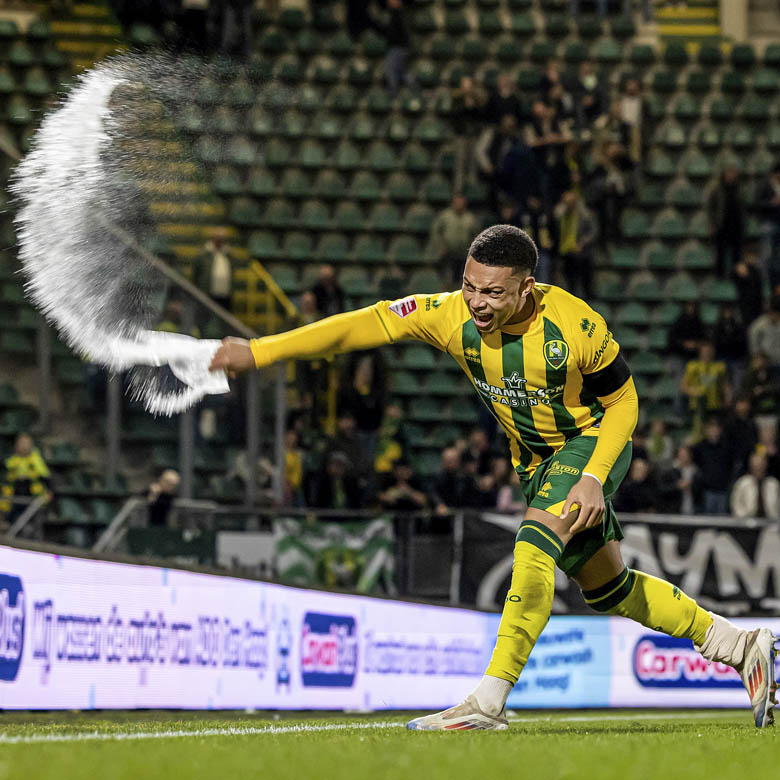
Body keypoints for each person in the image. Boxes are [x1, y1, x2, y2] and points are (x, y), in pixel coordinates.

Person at [211, 224, 777, 730]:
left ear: (526, 287)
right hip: (534, 463)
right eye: (470, 286)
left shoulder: (577, 325)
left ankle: (488, 700)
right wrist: (260, 351)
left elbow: (625, 404)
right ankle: (738, 642)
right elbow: (368, 324)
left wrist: (592, 477)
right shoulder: (449, 312)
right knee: (610, 591)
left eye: (493, 292)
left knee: (531, 548)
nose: (477, 303)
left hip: (588, 445)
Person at [554, 189, 597, 299]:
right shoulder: (560, 216)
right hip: (566, 253)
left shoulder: (585, 215)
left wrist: (582, 243)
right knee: (569, 284)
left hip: (582, 254)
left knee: (586, 282)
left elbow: (593, 231)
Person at [429, 195, 479, 288]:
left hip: (464, 253)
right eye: (457, 202)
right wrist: (440, 246)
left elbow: (476, 235)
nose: (459, 205)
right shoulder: (445, 216)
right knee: (447, 278)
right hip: (447, 252)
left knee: (462, 279)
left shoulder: (470, 218)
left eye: (461, 202)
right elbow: (436, 232)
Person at [681, 341, 731, 432]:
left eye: (709, 350)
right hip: (698, 406)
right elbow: (683, 386)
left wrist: (728, 397)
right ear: (700, 352)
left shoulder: (720, 367)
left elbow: (725, 385)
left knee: (714, 432)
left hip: (715, 406)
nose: (707, 353)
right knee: (699, 431)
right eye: (705, 350)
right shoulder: (692, 366)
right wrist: (694, 392)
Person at [3, 433, 51, 524]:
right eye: (21, 443)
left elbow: (46, 477)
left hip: (33, 498)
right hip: (14, 498)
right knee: (12, 521)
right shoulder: (11, 461)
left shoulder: (36, 461)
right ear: (16, 446)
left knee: (32, 523)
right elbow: (6, 480)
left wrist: (49, 492)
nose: (24, 446)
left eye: (27, 443)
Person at [707, 166, 746, 278]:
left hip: (736, 227)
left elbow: (743, 209)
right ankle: (719, 276)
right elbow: (711, 208)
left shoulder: (739, 190)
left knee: (736, 255)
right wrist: (713, 225)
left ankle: (736, 276)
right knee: (720, 253)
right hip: (722, 226)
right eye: (729, 173)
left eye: (733, 174)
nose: (731, 176)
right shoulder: (717, 190)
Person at [692, 418, 734, 515]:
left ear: (720, 430)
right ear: (706, 430)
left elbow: (731, 466)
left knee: (721, 521)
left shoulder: (726, 446)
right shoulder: (699, 447)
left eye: (716, 428)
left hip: (723, 490)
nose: (714, 431)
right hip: (707, 490)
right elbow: (695, 465)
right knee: (707, 520)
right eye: (711, 428)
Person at [730, 453, 780, 521]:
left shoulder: (774, 484)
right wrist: (743, 518)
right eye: (756, 466)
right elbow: (735, 505)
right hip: (747, 522)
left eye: (761, 465)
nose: (758, 468)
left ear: (766, 465)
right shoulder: (742, 483)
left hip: (771, 523)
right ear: (751, 466)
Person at [755, 162, 780, 294]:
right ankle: (764, 283)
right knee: (767, 255)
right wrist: (772, 203)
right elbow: (757, 203)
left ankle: (775, 284)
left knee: (776, 258)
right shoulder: (764, 184)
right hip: (768, 224)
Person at [195, 227, 233, 311]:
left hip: (225, 293)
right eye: (218, 238)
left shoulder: (228, 254)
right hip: (208, 293)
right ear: (213, 239)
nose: (220, 241)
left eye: (222, 239)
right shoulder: (204, 253)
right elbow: (196, 273)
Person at [734, 244, 765, 327]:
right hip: (745, 305)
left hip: (757, 305)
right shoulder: (741, 269)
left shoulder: (757, 271)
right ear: (745, 256)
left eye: (754, 256)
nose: (752, 258)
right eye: (750, 256)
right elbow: (735, 278)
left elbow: (759, 289)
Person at [748, 295, 780, 373]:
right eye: (770, 313)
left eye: (774, 313)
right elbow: (754, 345)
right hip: (766, 362)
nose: (771, 315)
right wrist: (757, 355)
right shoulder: (758, 326)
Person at [571, 60, 605, 131]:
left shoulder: (595, 81)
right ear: (580, 70)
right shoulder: (575, 81)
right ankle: (583, 129)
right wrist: (583, 99)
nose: (585, 71)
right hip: (579, 106)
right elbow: (573, 94)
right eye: (584, 69)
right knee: (578, 107)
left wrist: (592, 99)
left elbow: (599, 94)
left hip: (594, 107)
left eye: (587, 70)